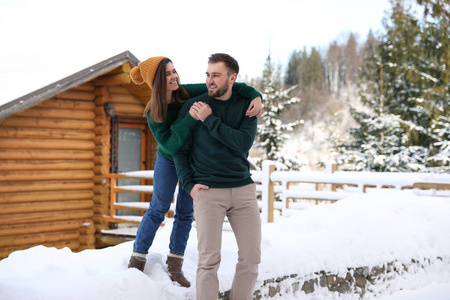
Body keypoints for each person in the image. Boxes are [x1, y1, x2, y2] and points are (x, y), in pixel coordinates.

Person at [126, 56, 262, 288]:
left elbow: (229, 84)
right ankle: (137, 259)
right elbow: (170, 145)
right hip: (170, 158)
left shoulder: (185, 93)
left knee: (186, 212)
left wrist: (256, 96)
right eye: (167, 74)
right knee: (158, 207)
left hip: (195, 157)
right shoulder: (153, 112)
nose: (174, 76)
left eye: (174, 71)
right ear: (156, 81)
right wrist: (189, 118)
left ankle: (175, 264)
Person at [174, 53, 261, 299]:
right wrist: (189, 184)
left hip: (243, 189)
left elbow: (242, 143)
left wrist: (209, 119)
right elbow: (180, 150)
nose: (209, 80)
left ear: (232, 78)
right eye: (208, 74)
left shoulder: (247, 106)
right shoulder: (193, 107)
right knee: (208, 261)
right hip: (208, 192)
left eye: (216, 75)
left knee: (251, 258)